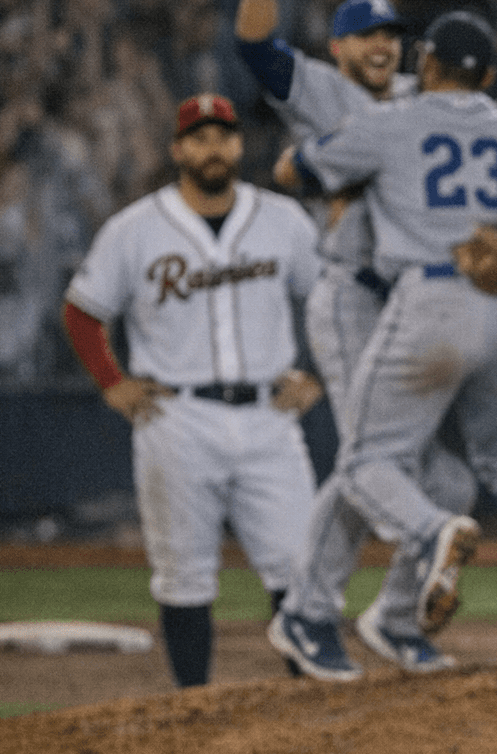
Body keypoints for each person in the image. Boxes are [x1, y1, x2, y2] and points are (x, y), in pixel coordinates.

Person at [268, 10, 497, 681]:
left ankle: (427, 536)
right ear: (487, 75)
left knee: (368, 460)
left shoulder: (394, 121)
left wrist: (353, 155)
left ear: (424, 65)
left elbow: (293, 171)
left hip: (427, 298)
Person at [235, 0, 481, 675]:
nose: (382, 46)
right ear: (339, 48)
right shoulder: (319, 87)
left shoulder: (422, 97)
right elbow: (252, 48)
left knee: (448, 478)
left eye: (391, 36)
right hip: (349, 298)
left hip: (414, 302)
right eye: (365, 35)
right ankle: (307, 614)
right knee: (374, 458)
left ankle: (394, 619)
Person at [61, 93, 325, 688]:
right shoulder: (135, 229)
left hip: (268, 415)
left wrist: (322, 376)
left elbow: (332, 301)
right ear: (178, 149)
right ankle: (191, 716)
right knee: (184, 576)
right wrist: (112, 382)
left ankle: (311, 712)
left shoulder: (283, 220)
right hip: (176, 420)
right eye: (199, 137)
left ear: (238, 145)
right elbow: (83, 312)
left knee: (300, 569)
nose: (213, 147)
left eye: (223, 136)